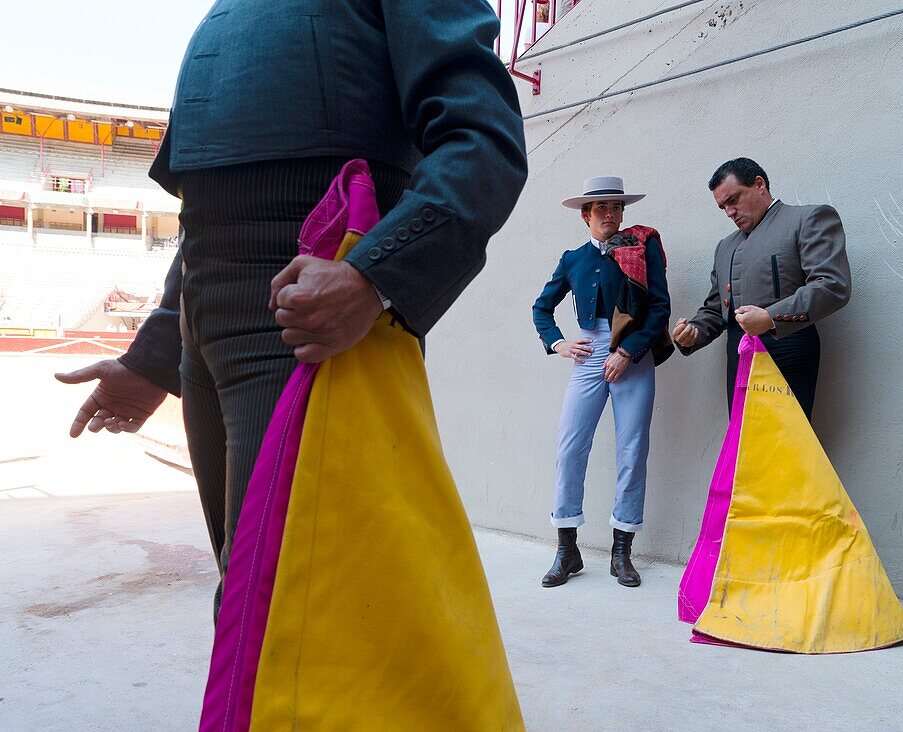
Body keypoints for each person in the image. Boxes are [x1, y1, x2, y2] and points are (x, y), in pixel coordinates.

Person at [55, 1, 527, 727]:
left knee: (298, 609)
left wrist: (373, 273)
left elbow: (483, 140)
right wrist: (155, 358)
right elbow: (206, 221)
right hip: (213, 316)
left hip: (316, 303)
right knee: (248, 598)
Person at [533, 175, 671, 588]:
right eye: (601, 209)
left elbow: (660, 308)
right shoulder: (572, 258)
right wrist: (558, 343)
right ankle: (566, 549)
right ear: (585, 215)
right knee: (570, 445)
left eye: (616, 207)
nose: (610, 215)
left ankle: (621, 552)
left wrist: (629, 352)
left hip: (633, 354)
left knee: (632, 447)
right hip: (590, 352)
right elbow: (542, 308)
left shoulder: (640, 248)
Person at [673, 158, 850, 417]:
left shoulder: (807, 219)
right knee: (744, 448)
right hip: (738, 360)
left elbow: (832, 285)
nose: (730, 212)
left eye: (733, 200)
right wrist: (694, 330)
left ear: (759, 185)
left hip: (789, 352)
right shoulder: (725, 246)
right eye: (723, 207)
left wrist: (769, 317)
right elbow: (716, 307)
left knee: (787, 448)